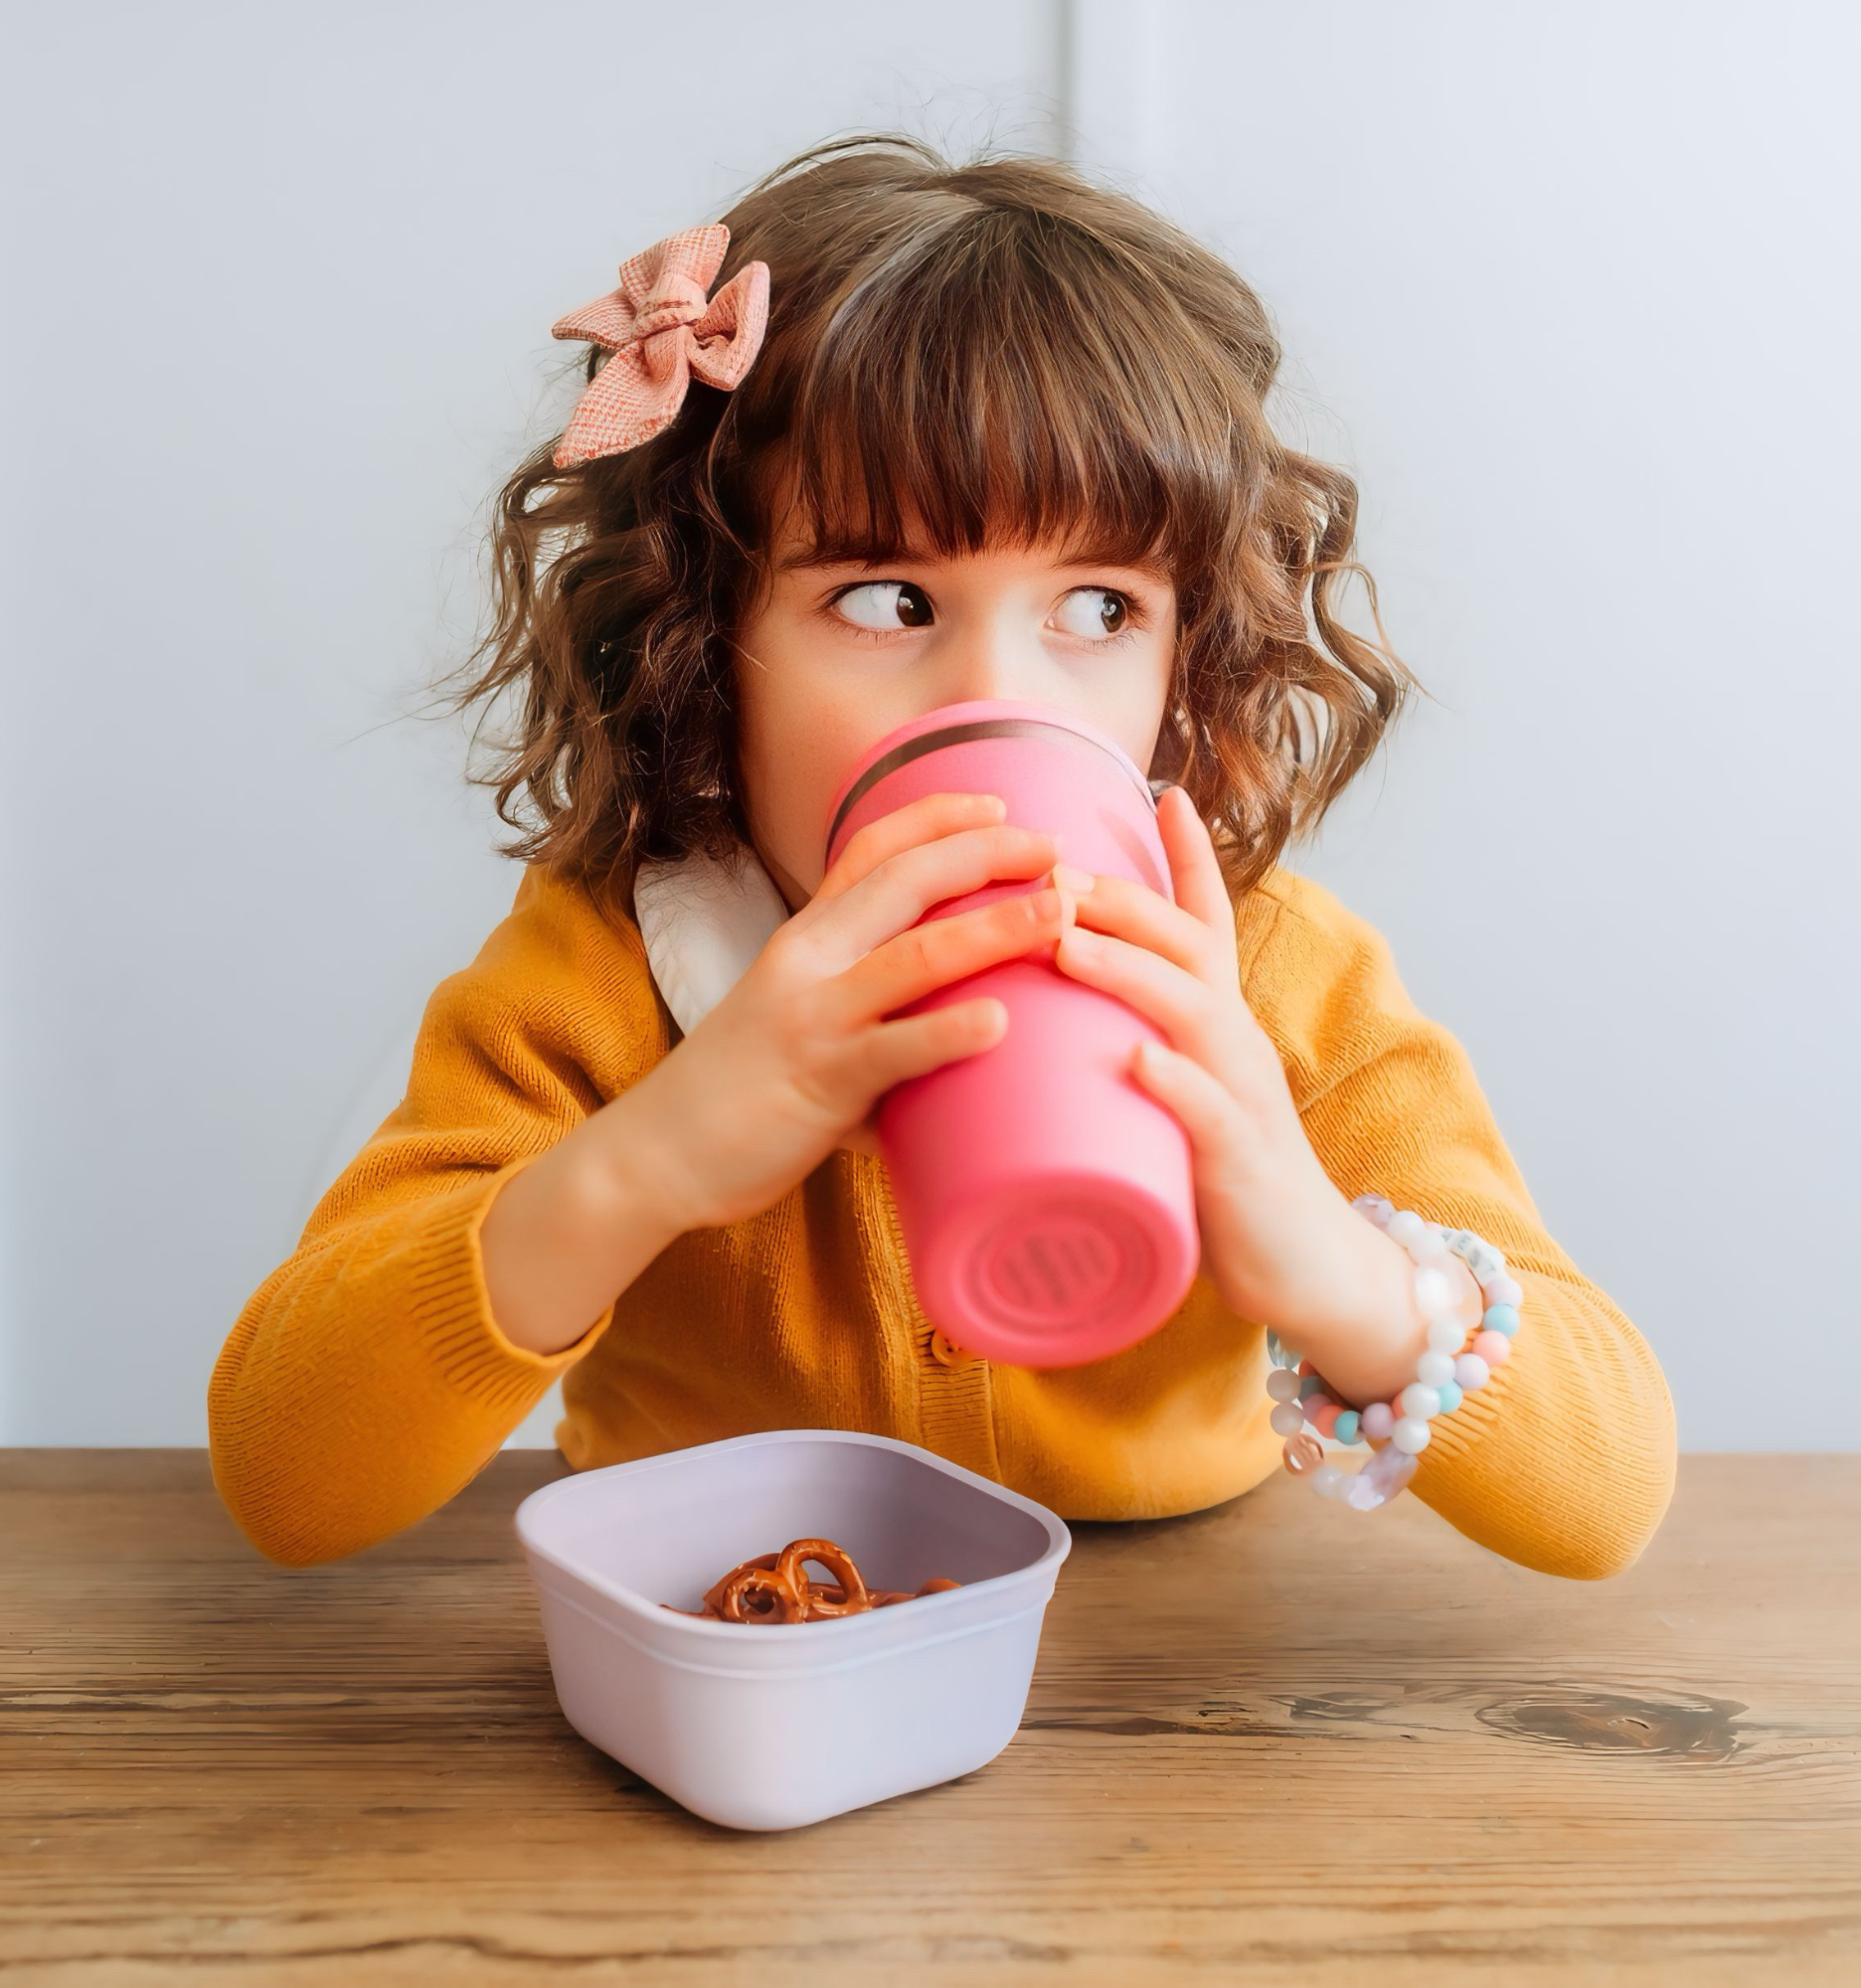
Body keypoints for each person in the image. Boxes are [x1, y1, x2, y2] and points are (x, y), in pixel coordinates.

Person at [209, 136, 1675, 1577]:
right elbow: (285, 1469)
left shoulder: (1270, 981)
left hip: (1179, 1686)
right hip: (733, 1648)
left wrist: (1327, 1262)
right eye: (891, 601)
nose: (1001, 701)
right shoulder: (608, 966)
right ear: (704, 637)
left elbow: (1608, 1494)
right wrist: (647, 1163)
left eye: (1098, 610)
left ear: (1186, 659)